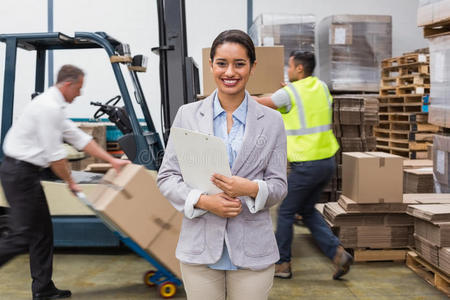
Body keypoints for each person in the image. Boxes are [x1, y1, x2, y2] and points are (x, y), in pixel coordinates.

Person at [157, 30, 287, 300]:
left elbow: (279, 185)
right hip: (200, 249)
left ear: (252, 67)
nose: (230, 72)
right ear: (211, 65)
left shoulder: (272, 122)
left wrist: (250, 188)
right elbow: (167, 177)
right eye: (222, 63)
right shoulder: (188, 115)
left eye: (239, 64)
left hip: (253, 250)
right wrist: (203, 201)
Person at [0, 64, 130, 300]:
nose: (80, 94)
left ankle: (43, 289)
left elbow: (78, 138)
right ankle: (42, 288)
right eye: (79, 88)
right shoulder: (48, 108)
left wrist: (113, 161)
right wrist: (70, 181)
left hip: (26, 173)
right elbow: (55, 156)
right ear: (68, 84)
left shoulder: (54, 108)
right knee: (22, 235)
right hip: (19, 173)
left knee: (42, 232)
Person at [255, 51, 353, 280]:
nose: (287, 71)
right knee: (307, 211)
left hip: (307, 165)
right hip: (327, 162)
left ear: (299, 69)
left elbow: (262, 103)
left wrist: (236, 94)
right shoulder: (320, 87)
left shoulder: (290, 93)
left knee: (286, 211)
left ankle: (282, 264)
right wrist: (287, 90)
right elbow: (302, 105)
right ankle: (338, 254)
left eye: (289, 67)